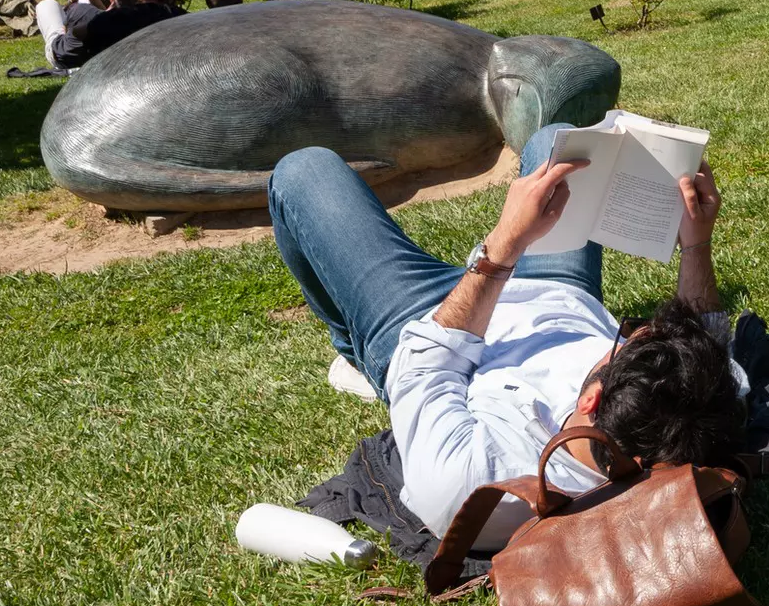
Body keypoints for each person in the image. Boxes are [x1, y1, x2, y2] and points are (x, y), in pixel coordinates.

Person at [267, 124, 744, 548]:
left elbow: (425, 365)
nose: (617, 336)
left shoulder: (478, 485)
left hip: (426, 323)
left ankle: (353, 352)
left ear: (591, 400)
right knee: (556, 140)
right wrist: (697, 241)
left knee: (302, 171)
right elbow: (710, 341)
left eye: (615, 345)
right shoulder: (700, 414)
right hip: (557, 295)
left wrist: (505, 245)